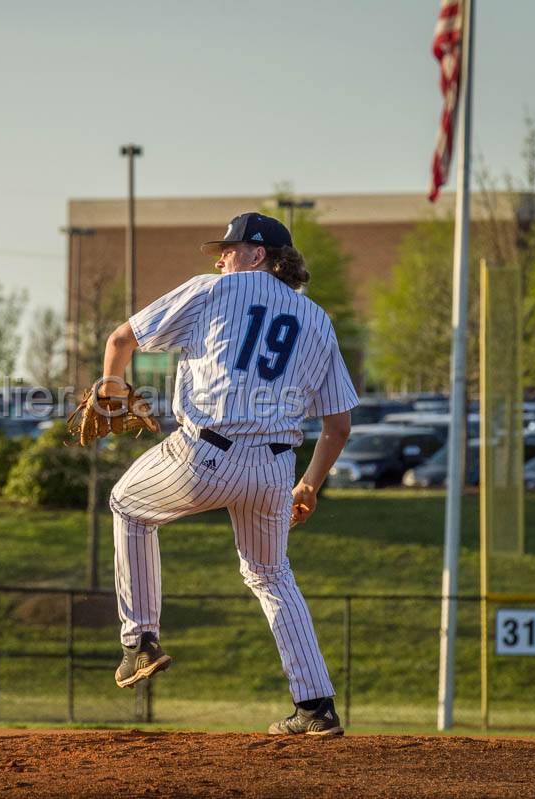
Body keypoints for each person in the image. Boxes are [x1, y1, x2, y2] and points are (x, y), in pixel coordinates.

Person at [97, 211, 357, 736]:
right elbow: (339, 425)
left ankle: (139, 641)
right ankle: (315, 707)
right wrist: (309, 484)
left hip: (205, 455)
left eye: (229, 249)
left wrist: (111, 383)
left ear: (258, 256)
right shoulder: (319, 320)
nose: (220, 258)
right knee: (270, 574)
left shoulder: (214, 291)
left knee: (128, 505)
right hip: (275, 470)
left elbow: (121, 338)